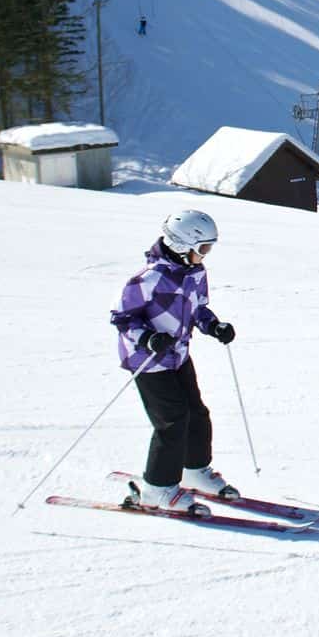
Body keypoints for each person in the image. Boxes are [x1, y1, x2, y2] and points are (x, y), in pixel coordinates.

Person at [109, 210, 238, 511]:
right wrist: (147, 338)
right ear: (183, 245)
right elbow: (121, 318)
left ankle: (195, 470)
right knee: (172, 422)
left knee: (196, 413)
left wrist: (214, 326)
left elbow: (199, 309)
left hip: (178, 355)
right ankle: (157, 488)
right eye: (203, 248)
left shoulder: (195, 273)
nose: (206, 255)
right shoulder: (148, 279)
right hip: (148, 361)